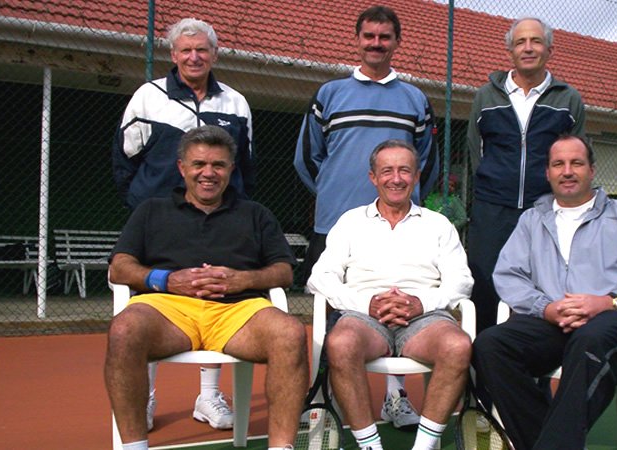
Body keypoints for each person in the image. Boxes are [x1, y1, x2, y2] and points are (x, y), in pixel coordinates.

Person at [105, 126, 307, 450]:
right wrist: (167, 280)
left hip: (238, 311)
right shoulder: (151, 210)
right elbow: (119, 268)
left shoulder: (256, 214)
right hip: (168, 309)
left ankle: (282, 447)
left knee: (291, 334)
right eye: (199, 164)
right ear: (182, 167)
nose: (208, 173)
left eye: (218, 165)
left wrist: (244, 279)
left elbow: (283, 272)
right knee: (124, 330)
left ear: (232, 169)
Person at [471, 135, 617, 450]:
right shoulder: (532, 219)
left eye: (576, 163)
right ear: (548, 173)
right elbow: (508, 274)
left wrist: (608, 301)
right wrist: (546, 308)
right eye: (558, 164)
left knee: (589, 340)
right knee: (490, 345)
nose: (567, 171)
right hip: (552, 322)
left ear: (591, 170)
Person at [294, 5, 438, 428]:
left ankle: (396, 399)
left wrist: (403, 206)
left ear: (397, 42)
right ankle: (327, 403)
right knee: (336, 315)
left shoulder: (415, 99)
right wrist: (335, 196)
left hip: (398, 227)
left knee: (396, 305)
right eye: (369, 36)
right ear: (357, 40)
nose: (376, 43)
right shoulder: (330, 94)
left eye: (385, 37)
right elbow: (308, 157)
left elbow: (424, 163)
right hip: (336, 225)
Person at [111, 18, 256, 431]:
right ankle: (146, 397)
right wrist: (146, 206)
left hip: (219, 220)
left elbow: (245, 164)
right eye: (186, 50)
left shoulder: (235, 102)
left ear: (214, 54)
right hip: (160, 221)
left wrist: (232, 209)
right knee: (150, 301)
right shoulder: (148, 96)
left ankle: (208, 397)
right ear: (173, 55)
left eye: (202, 50)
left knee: (214, 292)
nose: (194, 57)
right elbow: (125, 159)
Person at [308, 140, 473, 450]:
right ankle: (371, 446)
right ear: (373, 177)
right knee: (340, 343)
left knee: (457, 345)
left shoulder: (439, 225)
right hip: (363, 318)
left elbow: (461, 280)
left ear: (417, 176)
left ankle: (422, 448)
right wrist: (367, 304)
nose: (396, 178)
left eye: (404, 171)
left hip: (426, 319)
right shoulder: (350, 222)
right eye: (387, 171)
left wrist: (420, 304)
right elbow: (320, 277)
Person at [466, 17, 586, 334]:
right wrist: (496, 187)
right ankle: (482, 373)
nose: (528, 48)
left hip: (545, 211)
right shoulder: (485, 97)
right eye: (520, 42)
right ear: (510, 50)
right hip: (492, 211)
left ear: (549, 49)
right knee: (486, 289)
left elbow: (575, 158)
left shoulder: (568, 100)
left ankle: (536, 373)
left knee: (544, 289)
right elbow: (475, 153)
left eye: (535, 41)